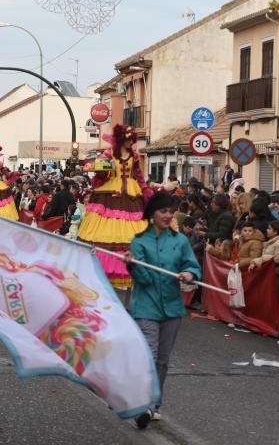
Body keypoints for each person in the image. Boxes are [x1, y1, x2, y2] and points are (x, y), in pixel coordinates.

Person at [123, 192, 201, 429]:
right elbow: (144, 280)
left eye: (171, 211)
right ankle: (142, 404)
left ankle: (153, 404)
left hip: (173, 308)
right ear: (151, 214)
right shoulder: (138, 242)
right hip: (146, 305)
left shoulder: (180, 241)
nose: (168, 215)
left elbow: (192, 265)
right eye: (163, 211)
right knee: (150, 356)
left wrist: (190, 274)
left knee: (163, 361)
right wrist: (133, 266)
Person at [78, 124, 150, 289]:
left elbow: (138, 175)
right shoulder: (109, 153)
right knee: (107, 226)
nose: (130, 143)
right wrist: (101, 170)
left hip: (131, 193)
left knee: (132, 226)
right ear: (121, 139)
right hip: (110, 192)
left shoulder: (135, 156)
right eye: (128, 139)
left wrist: (145, 189)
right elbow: (101, 170)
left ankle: (132, 262)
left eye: (132, 140)